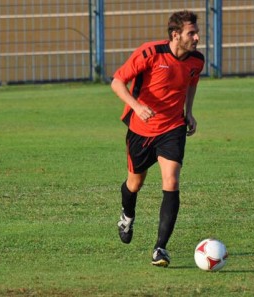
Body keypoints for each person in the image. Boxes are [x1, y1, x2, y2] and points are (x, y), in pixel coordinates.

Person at [110, 10, 204, 268]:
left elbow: (191, 83)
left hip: (172, 128)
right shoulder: (149, 53)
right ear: (176, 35)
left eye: (196, 32)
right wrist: (136, 105)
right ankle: (127, 215)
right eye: (191, 33)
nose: (197, 37)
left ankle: (160, 248)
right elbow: (117, 82)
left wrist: (189, 112)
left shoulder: (197, 60)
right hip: (141, 130)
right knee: (134, 183)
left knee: (171, 180)